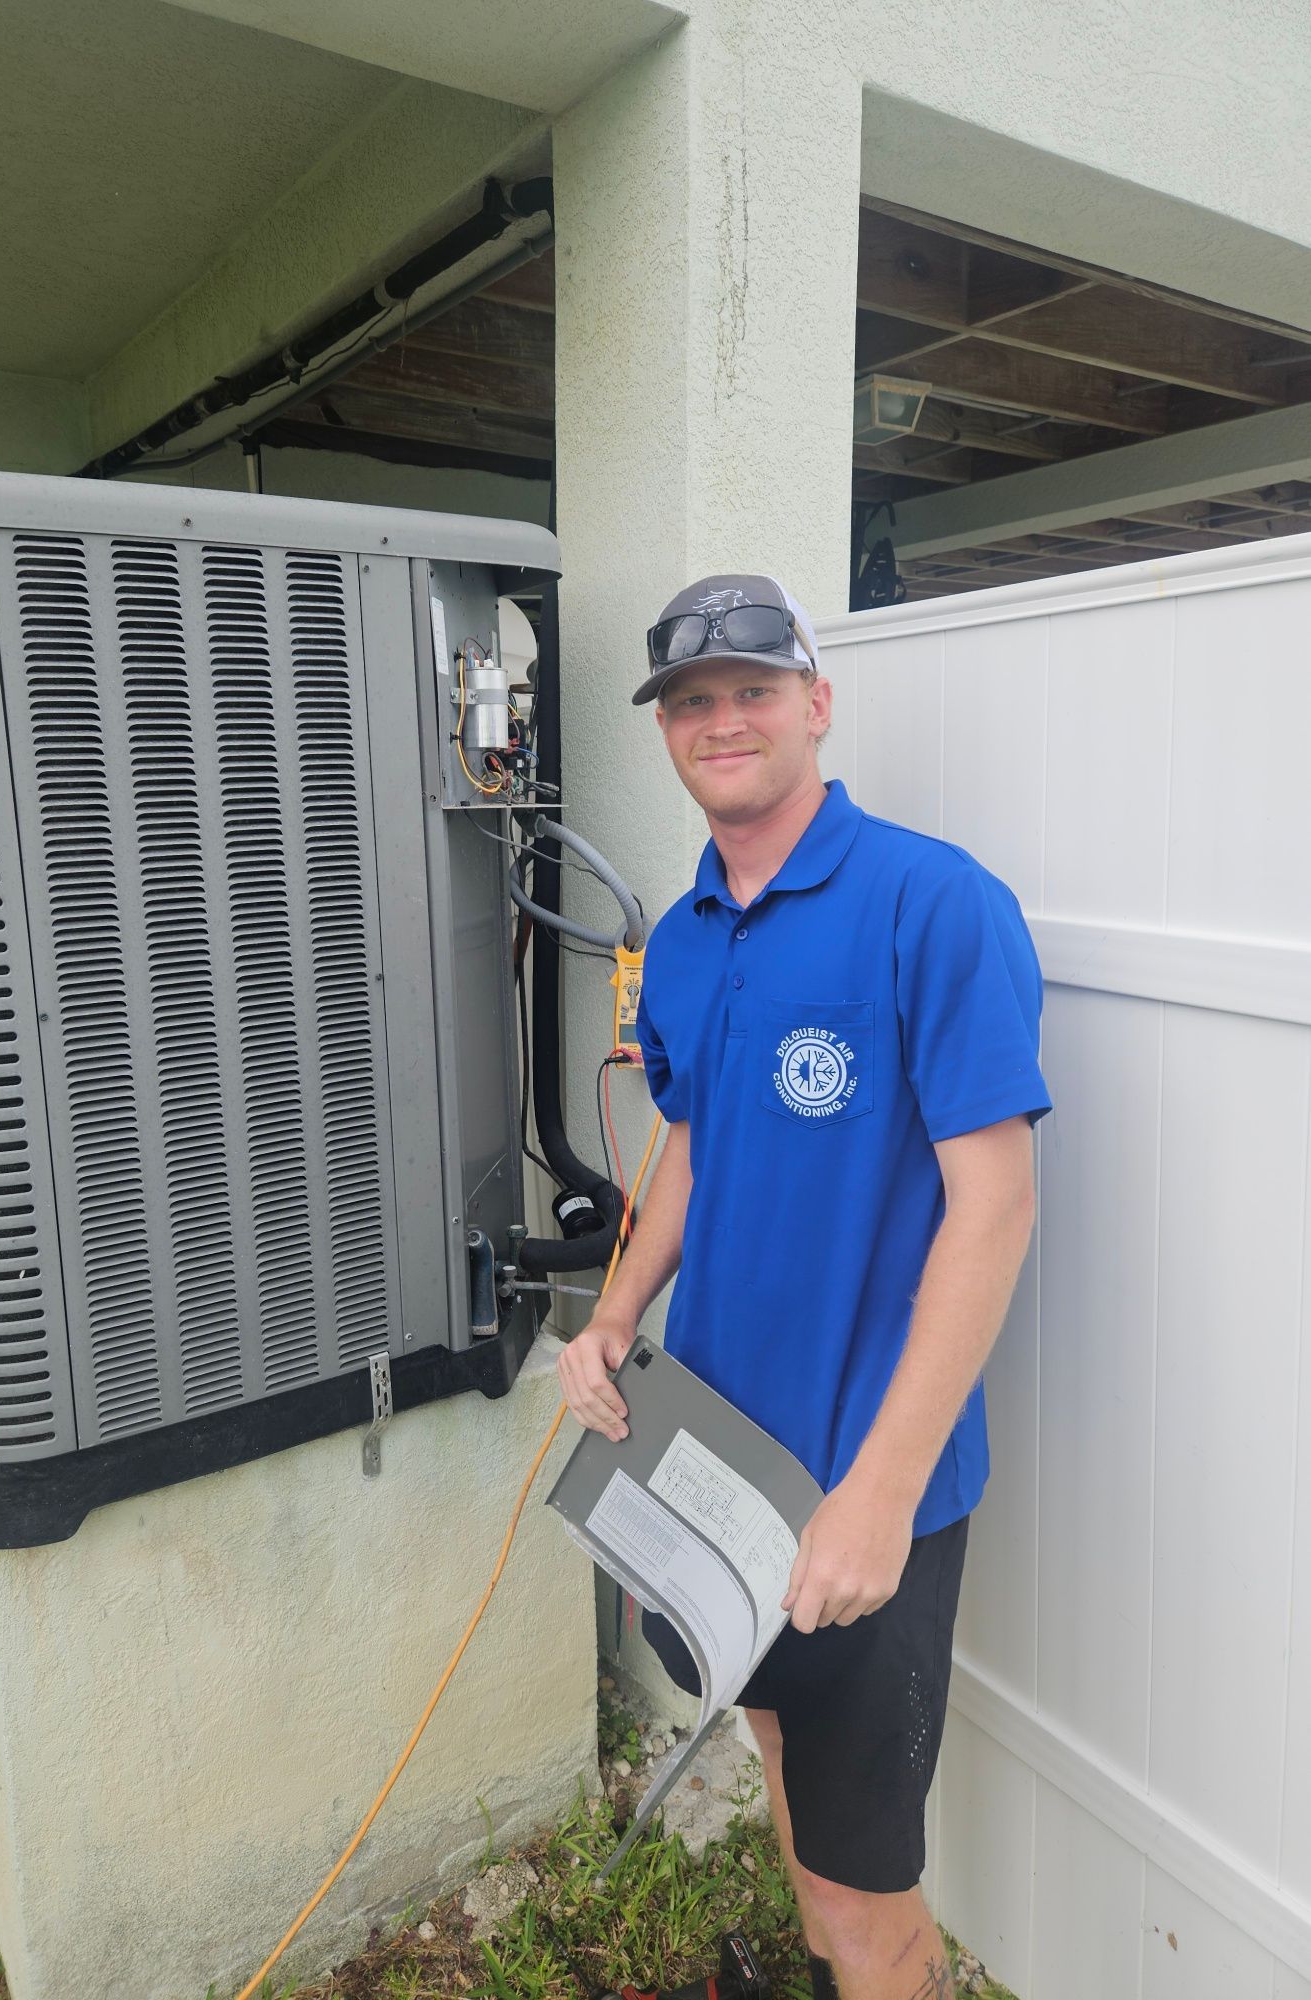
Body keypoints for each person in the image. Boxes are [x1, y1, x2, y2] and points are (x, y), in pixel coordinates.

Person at [557, 575, 1050, 2000]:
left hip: (863, 1494)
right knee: (773, 1748)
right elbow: (694, 1155)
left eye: (753, 690)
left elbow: (995, 1207)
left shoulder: (934, 905)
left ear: (816, 705)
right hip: (717, 1466)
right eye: (691, 703)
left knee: (866, 1894)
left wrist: (880, 1495)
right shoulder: (691, 939)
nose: (723, 721)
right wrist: (608, 1318)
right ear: (665, 732)